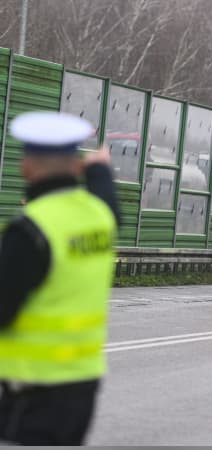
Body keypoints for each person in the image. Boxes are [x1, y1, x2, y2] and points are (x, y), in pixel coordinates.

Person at [0, 111, 120, 445]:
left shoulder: (29, 229)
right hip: (81, 385)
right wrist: (99, 168)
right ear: (75, 164)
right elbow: (108, 198)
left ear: (26, 166)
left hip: (31, 391)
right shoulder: (100, 216)